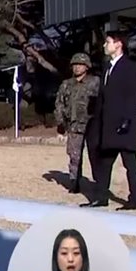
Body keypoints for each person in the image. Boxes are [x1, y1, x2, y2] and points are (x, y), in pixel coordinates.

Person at [83, 31, 136, 210]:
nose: (104, 45)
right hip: (107, 125)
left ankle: (135, 200)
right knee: (104, 163)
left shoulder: (131, 67)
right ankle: (101, 197)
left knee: (130, 163)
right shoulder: (107, 67)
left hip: (124, 125)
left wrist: (128, 120)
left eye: (107, 42)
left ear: (118, 44)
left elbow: (133, 96)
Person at [54, 52, 101, 194]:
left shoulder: (95, 82)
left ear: (87, 67)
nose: (77, 68)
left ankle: (100, 184)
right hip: (74, 126)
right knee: (74, 156)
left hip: (92, 125)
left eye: (80, 65)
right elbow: (59, 104)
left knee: (96, 156)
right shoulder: (66, 85)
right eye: (75, 65)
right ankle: (75, 182)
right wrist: (60, 123)